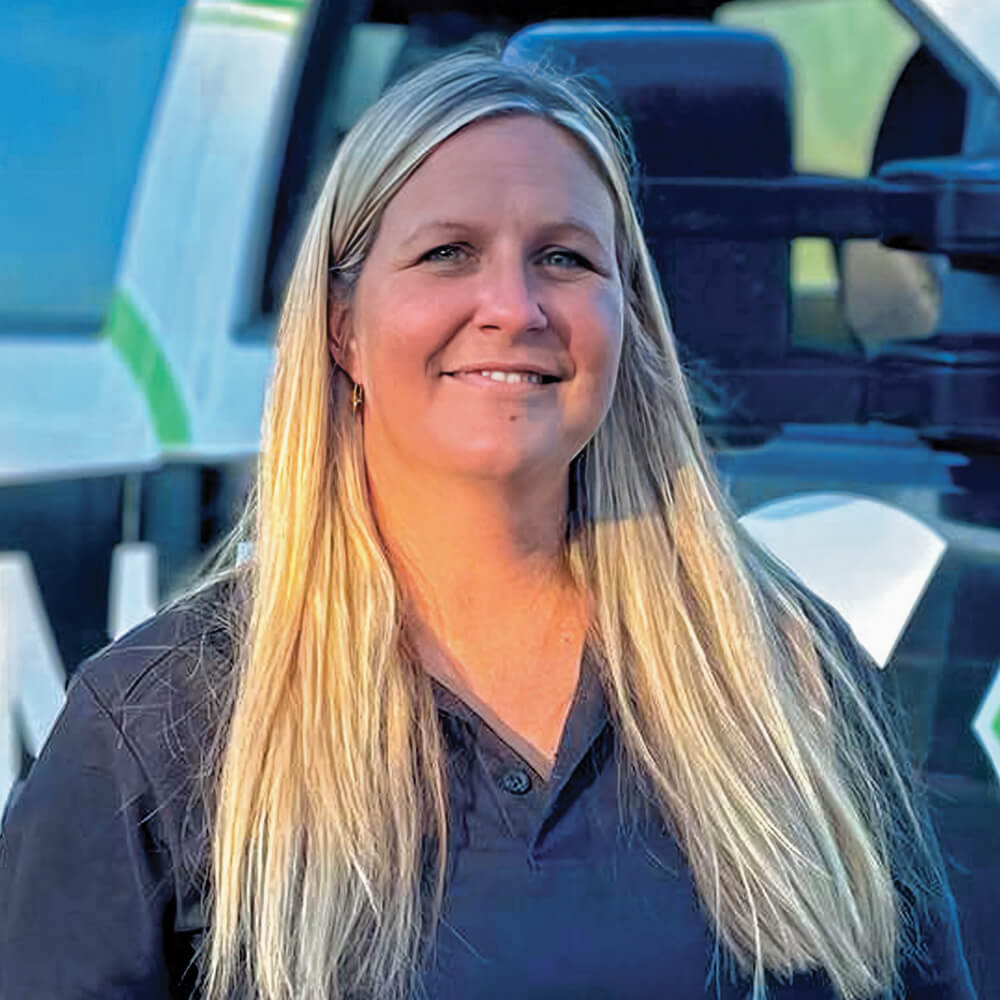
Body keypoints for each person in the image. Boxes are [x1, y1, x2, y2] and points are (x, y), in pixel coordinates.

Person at [0, 50, 977, 1000]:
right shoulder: (159, 725)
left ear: (628, 317)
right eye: (447, 253)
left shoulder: (790, 678)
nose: (514, 307)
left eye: (564, 257)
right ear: (342, 327)